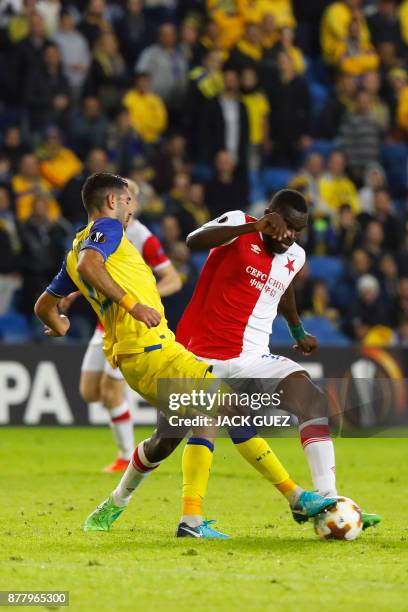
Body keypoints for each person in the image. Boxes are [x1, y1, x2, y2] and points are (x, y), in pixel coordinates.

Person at [34, 173, 336, 538]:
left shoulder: (74, 251)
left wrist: (59, 321)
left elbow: (44, 304)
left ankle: (118, 505)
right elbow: (90, 265)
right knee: (227, 411)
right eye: (129, 200)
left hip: (157, 350)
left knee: (174, 433)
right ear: (112, 202)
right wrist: (132, 306)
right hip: (150, 352)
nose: (133, 207)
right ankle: (293, 498)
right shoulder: (108, 231)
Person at [175, 189, 380, 535]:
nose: (290, 237)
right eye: (286, 227)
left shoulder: (294, 255)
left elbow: (283, 286)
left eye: (298, 231)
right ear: (270, 215)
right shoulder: (239, 223)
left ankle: (326, 500)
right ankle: (180, 516)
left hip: (253, 356)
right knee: (171, 439)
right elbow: (194, 241)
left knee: (311, 399)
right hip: (201, 354)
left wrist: (297, 329)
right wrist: (252, 229)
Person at [78, 179, 182, 472]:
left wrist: (143, 299)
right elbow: (90, 268)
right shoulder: (98, 231)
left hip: (132, 324)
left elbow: (173, 279)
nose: (127, 205)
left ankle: (126, 455)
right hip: (105, 325)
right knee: (89, 392)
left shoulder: (141, 236)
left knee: (111, 393)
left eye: (130, 199)